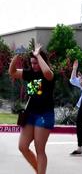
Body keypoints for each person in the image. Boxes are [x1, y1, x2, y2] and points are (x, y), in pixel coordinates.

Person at [9, 43, 54, 174]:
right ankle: (39, 171)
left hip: (44, 115)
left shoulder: (49, 76)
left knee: (39, 149)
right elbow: (12, 72)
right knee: (22, 146)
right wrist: (16, 56)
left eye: (36, 63)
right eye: (32, 63)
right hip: (30, 114)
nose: (34, 66)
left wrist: (38, 55)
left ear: (42, 61)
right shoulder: (30, 74)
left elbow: (46, 72)